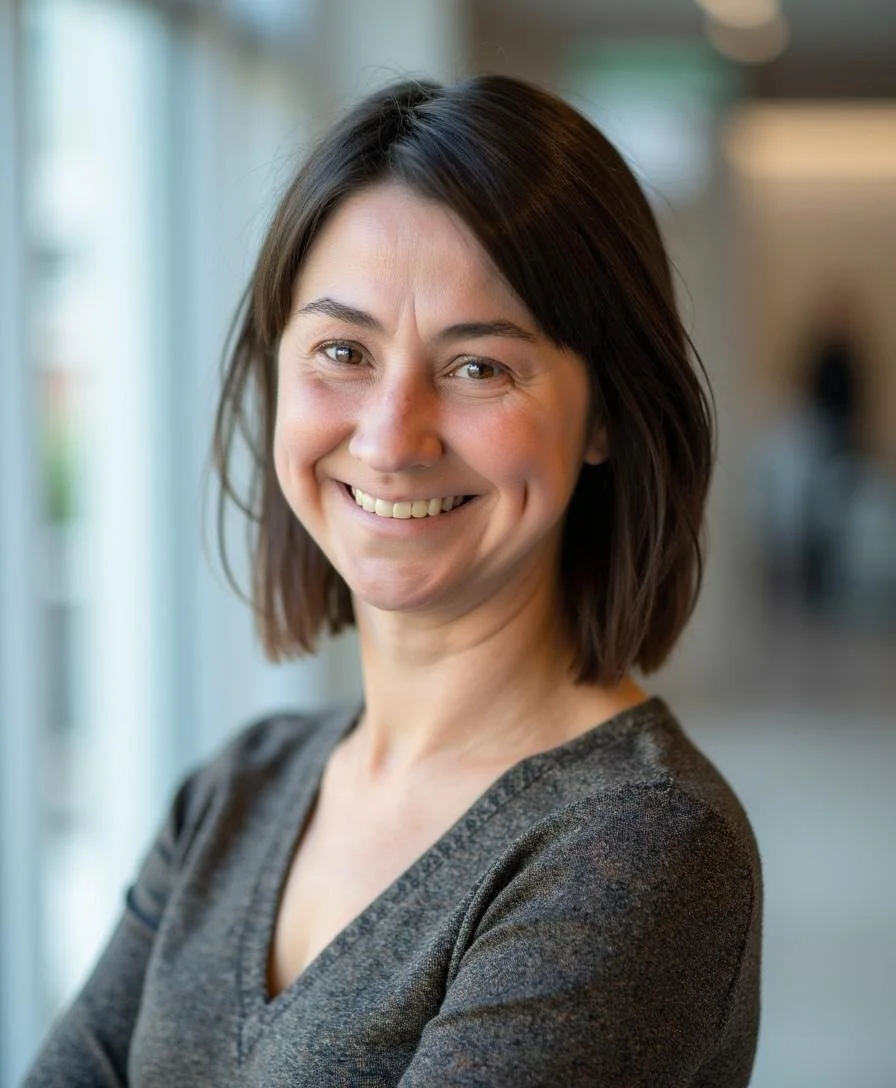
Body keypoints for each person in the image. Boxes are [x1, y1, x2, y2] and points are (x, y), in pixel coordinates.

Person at [26, 75, 762, 1087]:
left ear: (604, 416)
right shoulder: (243, 787)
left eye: (478, 368)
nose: (389, 436)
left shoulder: (637, 847)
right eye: (342, 351)